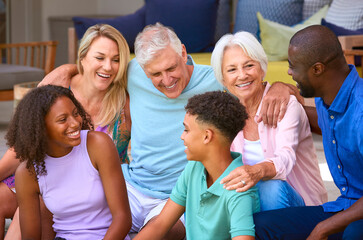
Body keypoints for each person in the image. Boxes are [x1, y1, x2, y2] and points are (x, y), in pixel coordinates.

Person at [39, 22, 291, 239]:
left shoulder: (216, 79)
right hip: (130, 183)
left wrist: (282, 87)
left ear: (183, 53)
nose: (166, 80)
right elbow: (99, 70)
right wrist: (67, 69)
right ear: (143, 69)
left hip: (176, 195)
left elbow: (253, 83)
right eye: (156, 74)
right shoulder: (134, 72)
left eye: (171, 69)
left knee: (163, 233)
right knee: (57, 204)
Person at [2, 23, 131, 239]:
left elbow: (122, 216)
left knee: (42, 202)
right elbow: (25, 142)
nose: (108, 66)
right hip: (45, 171)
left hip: (90, 185)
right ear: (82, 59)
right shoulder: (59, 89)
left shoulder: (122, 105)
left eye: (116, 60)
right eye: (100, 58)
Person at [254, 25, 363, 240]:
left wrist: (323, 228)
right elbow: (324, 122)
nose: (289, 72)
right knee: (259, 226)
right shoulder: (329, 96)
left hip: (355, 218)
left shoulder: (360, 111)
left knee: (352, 233)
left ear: (317, 69)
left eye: (293, 66)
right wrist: (280, 90)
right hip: (346, 207)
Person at [210, 31, 327, 211]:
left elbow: (285, 158)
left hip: (300, 206)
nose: (242, 75)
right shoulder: (224, 113)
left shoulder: (285, 105)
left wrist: (256, 172)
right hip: (251, 201)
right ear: (223, 79)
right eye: (232, 69)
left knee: (271, 186)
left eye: (249, 65)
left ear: (262, 68)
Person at [7, 85, 131, 240]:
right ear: (41, 128)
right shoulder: (28, 173)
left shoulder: (98, 145)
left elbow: (123, 219)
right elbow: (30, 237)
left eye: (76, 113)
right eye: (62, 119)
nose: (75, 124)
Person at [135, 91, 260, 240]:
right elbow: (160, 224)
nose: (182, 136)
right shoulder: (194, 167)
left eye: (186, 130)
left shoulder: (238, 188)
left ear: (207, 136)